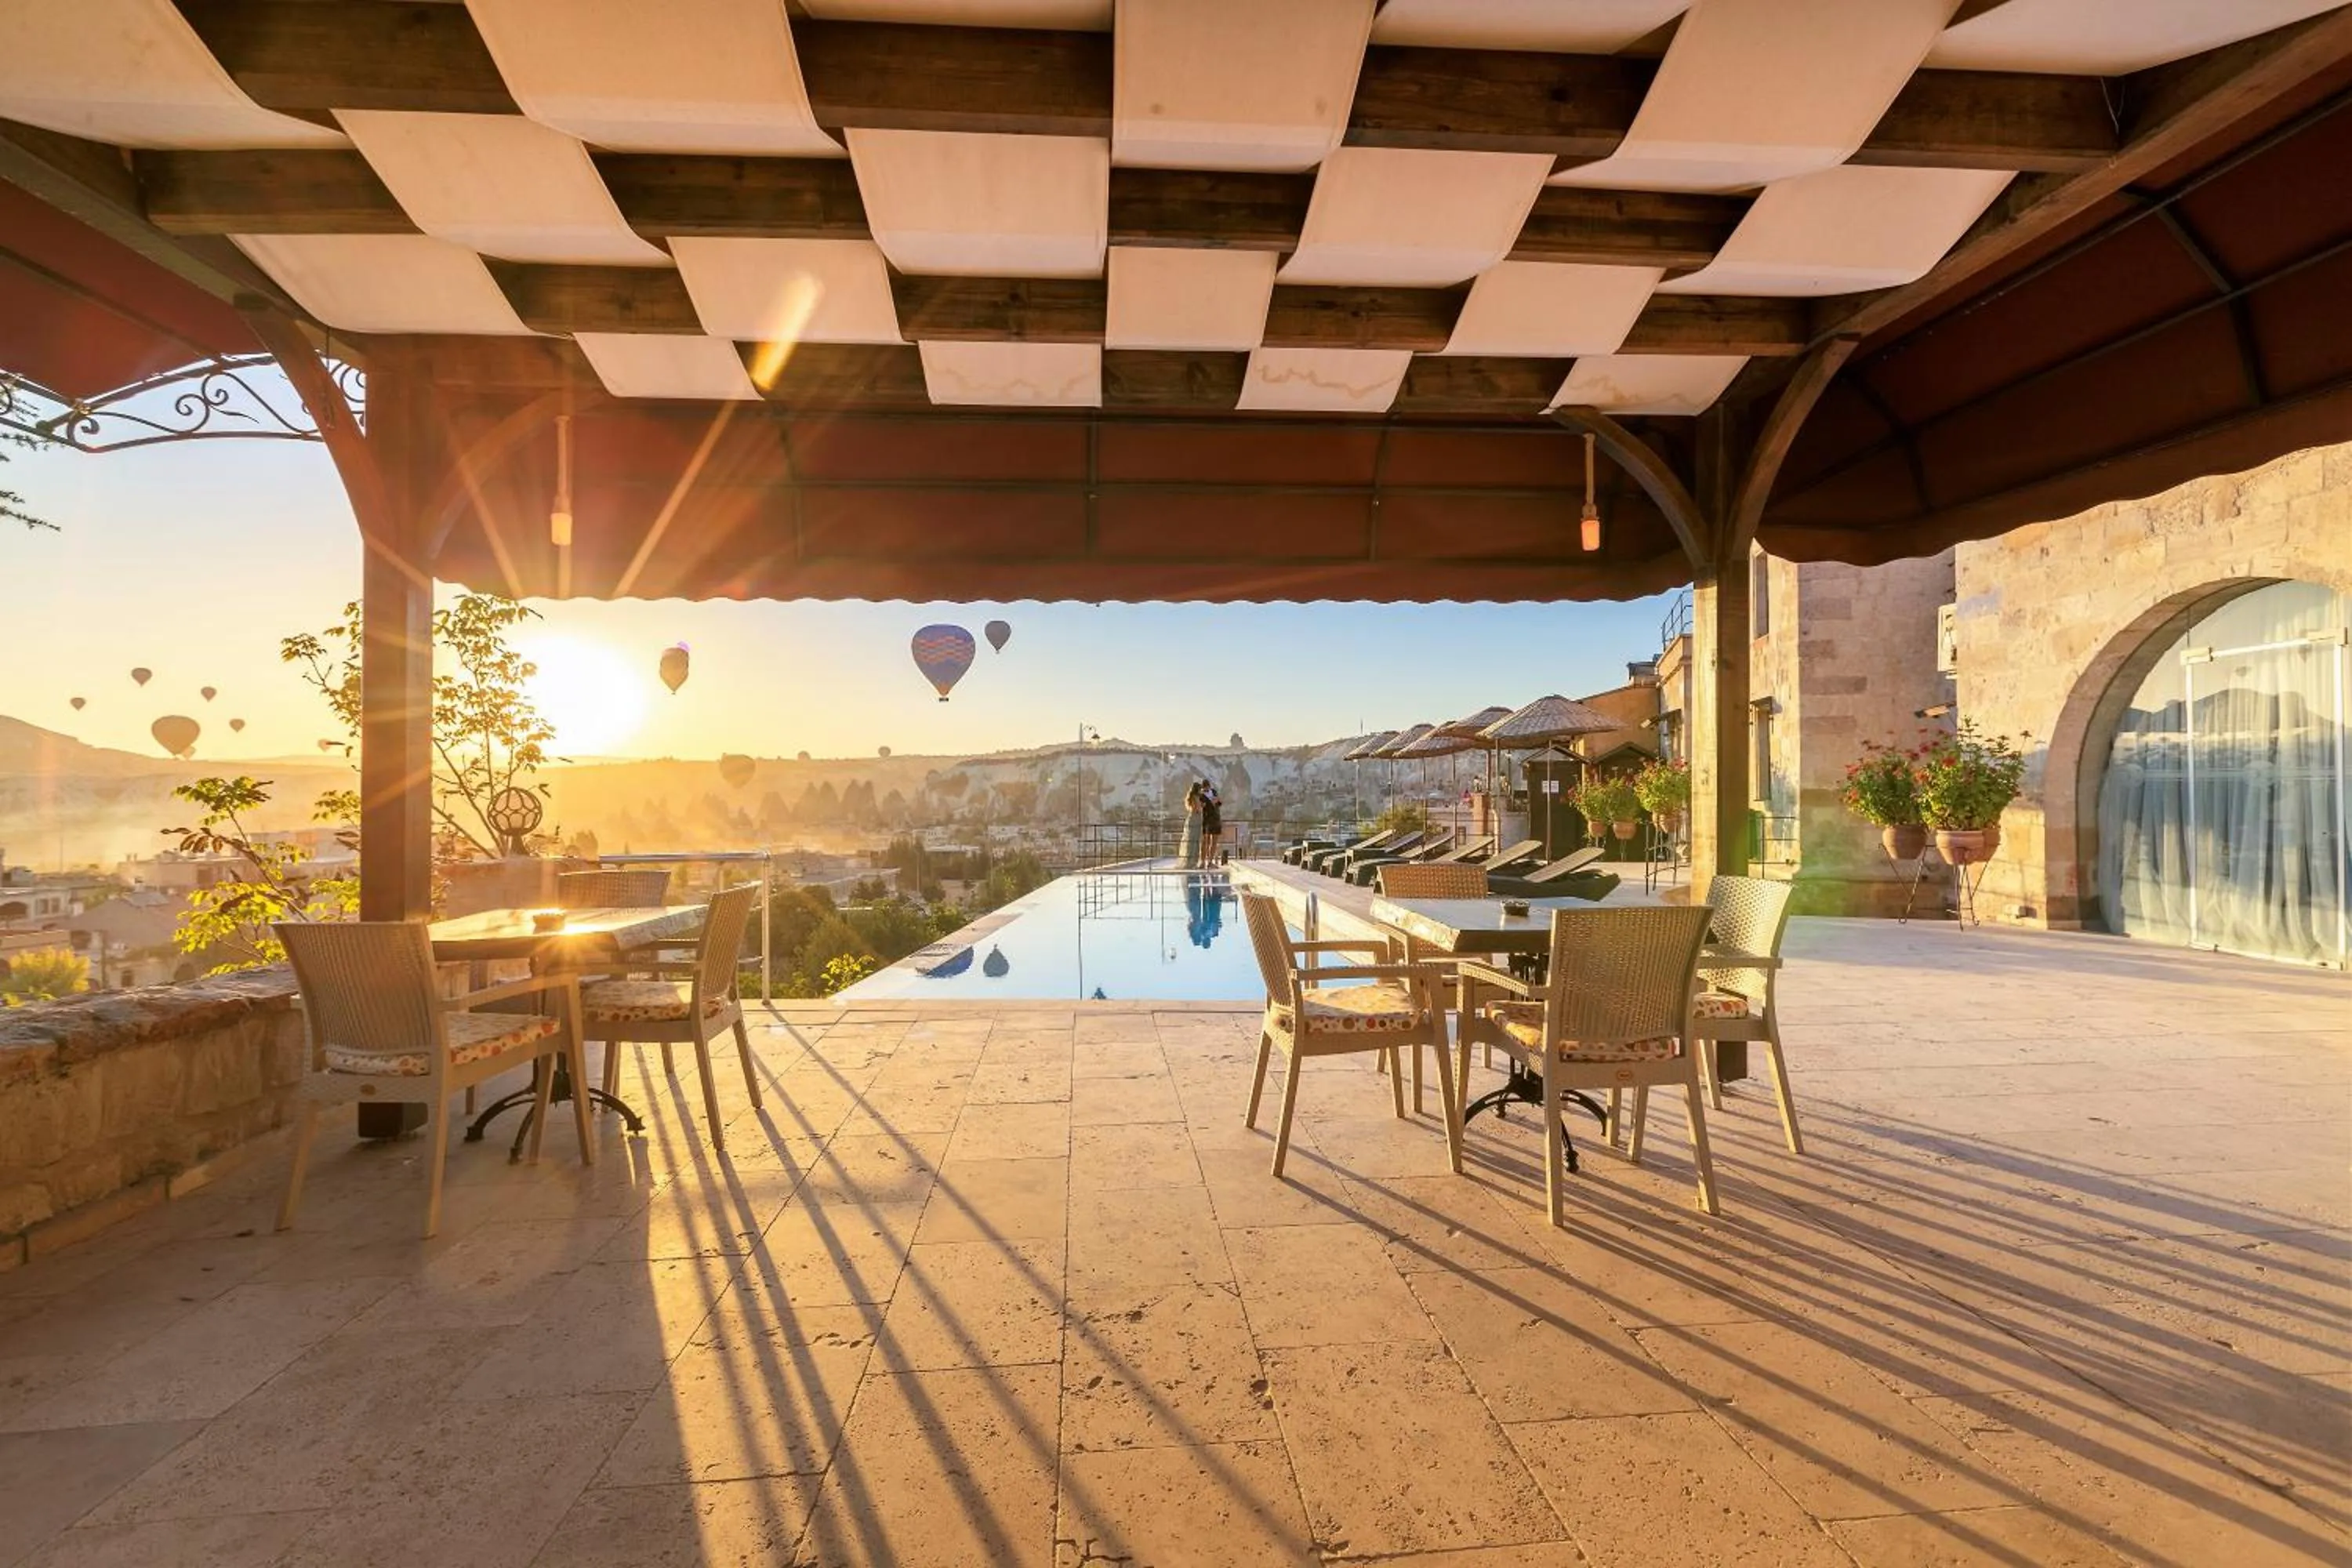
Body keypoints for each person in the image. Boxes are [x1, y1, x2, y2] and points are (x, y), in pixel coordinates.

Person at [1178, 780, 1204, 869]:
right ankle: (1191, 861)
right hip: (1195, 819)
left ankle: (1192, 861)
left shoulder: (1193, 797)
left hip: (1194, 819)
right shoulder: (1194, 797)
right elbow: (1196, 809)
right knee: (1193, 840)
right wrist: (1202, 806)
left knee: (1193, 840)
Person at [1200, 780, 1225, 866]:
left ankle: (1210, 861)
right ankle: (1203, 861)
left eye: (1207, 787)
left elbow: (1220, 803)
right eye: (1205, 787)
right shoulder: (1201, 795)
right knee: (1205, 841)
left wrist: (1217, 800)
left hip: (1216, 818)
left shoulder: (1214, 792)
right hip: (1207, 819)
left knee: (1214, 841)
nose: (1206, 788)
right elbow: (1201, 807)